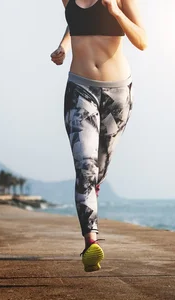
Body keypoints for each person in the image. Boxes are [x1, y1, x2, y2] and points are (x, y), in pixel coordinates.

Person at [50, 0, 147, 272]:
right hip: (80, 88)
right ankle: (90, 243)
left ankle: (93, 189)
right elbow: (75, 22)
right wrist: (64, 47)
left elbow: (142, 40)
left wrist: (115, 11)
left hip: (118, 95)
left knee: (98, 171)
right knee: (85, 169)